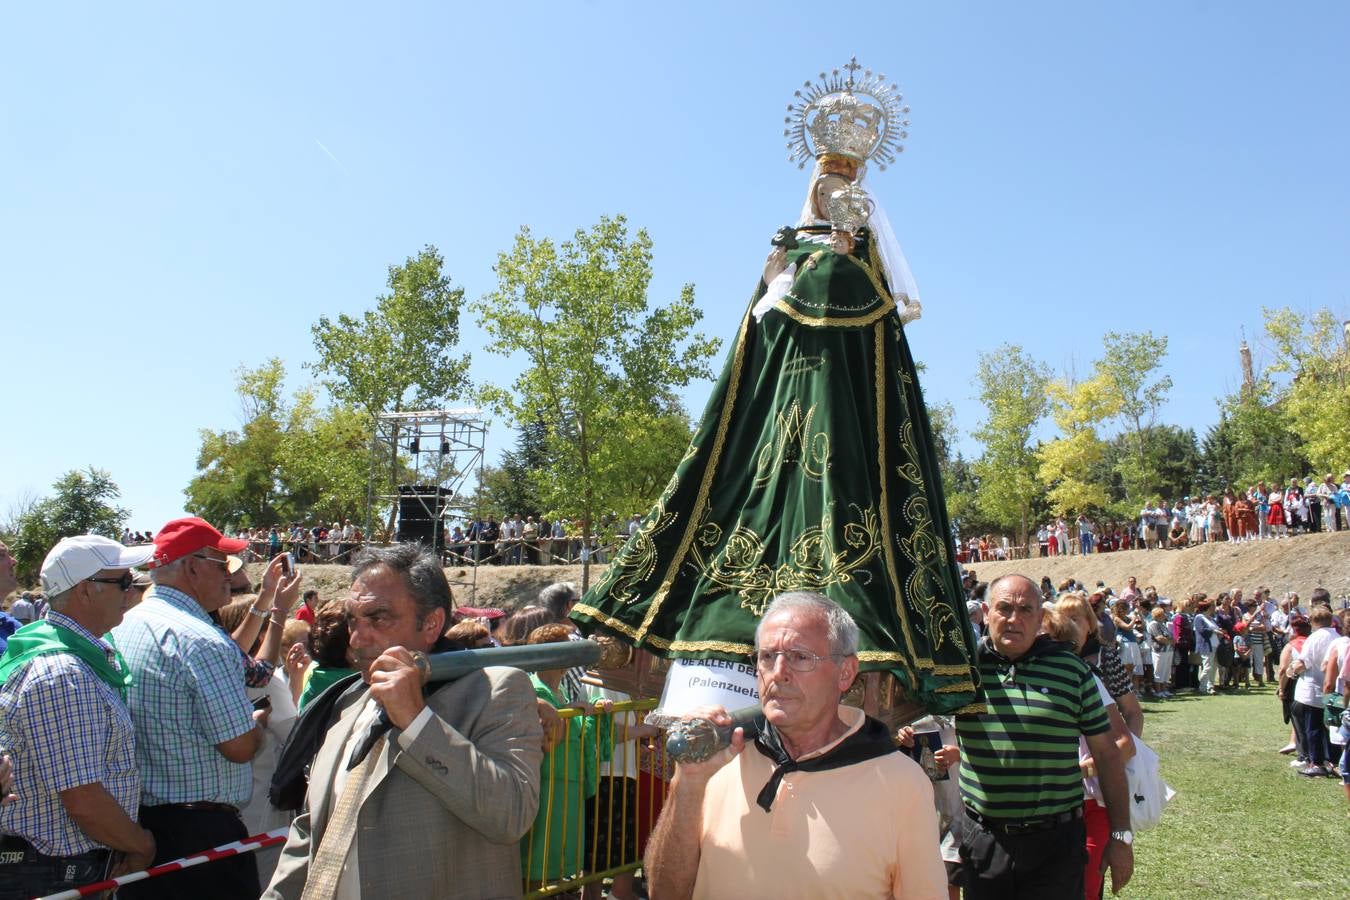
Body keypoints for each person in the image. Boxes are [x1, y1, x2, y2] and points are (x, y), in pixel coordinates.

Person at [572, 62, 977, 715]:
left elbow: (856, 322)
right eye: (823, 184)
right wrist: (778, 282)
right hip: (778, 408)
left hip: (837, 410)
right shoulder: (790, 252)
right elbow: (759, 334)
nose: (829, 193)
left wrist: (825, 265)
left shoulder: (855, 261)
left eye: (840, 185)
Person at [264, 543, 543, 899]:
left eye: (379, 618)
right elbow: (312, 828)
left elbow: (511, 816)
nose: (357, 639)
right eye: (353, 620)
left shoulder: (494, 693)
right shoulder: (344, 704)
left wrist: (416, 720)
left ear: (432, 624)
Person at [644, 591, 946, 899]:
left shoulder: (901, 783)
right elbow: (664, 893)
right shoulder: (716, 759)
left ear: (845, 673)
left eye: (800, 657)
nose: (778, 673)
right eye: (767, 657)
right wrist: (688, 784)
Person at [111, 518, 267, 900]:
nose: (230, 575)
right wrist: (257, 727)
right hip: (200, 837)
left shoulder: (122, 625)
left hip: (137, 829)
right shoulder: (201, 640)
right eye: (222, 564)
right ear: (193, 568)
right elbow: (239, 747)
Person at [955, 575, 1132, 899]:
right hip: (984, 841)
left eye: (1026, 610)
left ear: (1040, 618)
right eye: (1004, 608)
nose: (1014, 619)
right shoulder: (962, 672)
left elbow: (1107, 755)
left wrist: (1121, 836)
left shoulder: (1072, 671)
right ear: (986, 613)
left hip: (1056, 844)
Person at [0, 536, 158, 899]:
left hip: (56, 866)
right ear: (86, 590)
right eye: (123, 582)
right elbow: (83, 799)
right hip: (50, 871)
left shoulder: (65, 656)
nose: (131, 591)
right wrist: (141, 845)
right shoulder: (63, 673)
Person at [1291, 605, 1339, 776]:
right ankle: (1334, 761)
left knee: (1313, 728)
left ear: (1313, 621)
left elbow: (1303, 663)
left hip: (1313, 689)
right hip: (1333, 689)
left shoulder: (1314, 638)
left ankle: (1316, 762)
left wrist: (1293, 670)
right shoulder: (1338, 637)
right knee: (1332, 727)